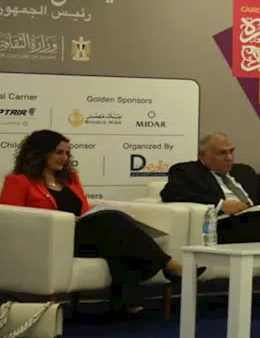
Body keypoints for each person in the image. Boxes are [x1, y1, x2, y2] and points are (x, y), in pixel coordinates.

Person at [0, 130, 203, 317]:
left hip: (81, 236)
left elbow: (83, 210)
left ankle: (125, 303)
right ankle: (169, 266)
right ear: (40, 153)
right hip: (49, 241)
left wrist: (83, 218)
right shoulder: (18, 181)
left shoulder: (70, 179)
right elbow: (13, 218)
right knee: (112, 222)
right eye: (58, 152)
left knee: (115, 238)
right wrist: (61, 220)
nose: (65, 158)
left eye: (67, 153)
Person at [160, 132, 260, 319]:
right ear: (203, 155)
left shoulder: (243, 171)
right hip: (224, 228)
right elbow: (170, 193)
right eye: (222, 153)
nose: (229, 157)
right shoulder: (186, 171)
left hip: (259, 225)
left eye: (231, 151)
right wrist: (220, 204)